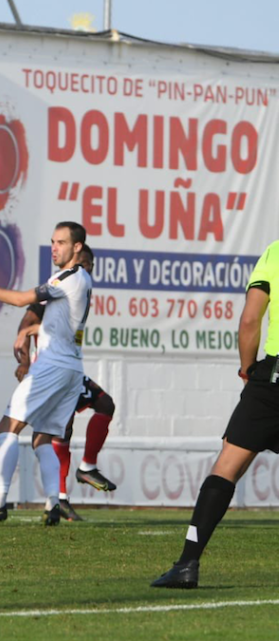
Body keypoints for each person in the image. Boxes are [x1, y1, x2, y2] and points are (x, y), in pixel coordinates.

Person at [151, 239, 279, 589]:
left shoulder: (274, 251)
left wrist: (247, 370)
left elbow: (251, 319)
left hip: (272, 380)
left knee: (227, 464)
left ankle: (188, 563)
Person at [0, 222, 92, 526]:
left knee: (6, 427)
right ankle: (53, 504)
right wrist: (37, 329)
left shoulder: (68, 278)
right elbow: (59, 322)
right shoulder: (81, 279)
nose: (54, 248)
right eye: (52, 241)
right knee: (42, 439)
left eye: (61, 242)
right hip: (72, 368)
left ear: (77, 248)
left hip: (53, 367)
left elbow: (22, 300)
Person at [14, 245, 116, 521]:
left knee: (93, 412)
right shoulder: (56, 289)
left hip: (67, 367)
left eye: (90, 267)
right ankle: (62, 493)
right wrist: (24, 362)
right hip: (50, 369)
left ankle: (69, 488)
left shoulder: (79, 290)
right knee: (57, 430)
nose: (86, 271)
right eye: (82, 264)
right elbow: (27, 323)